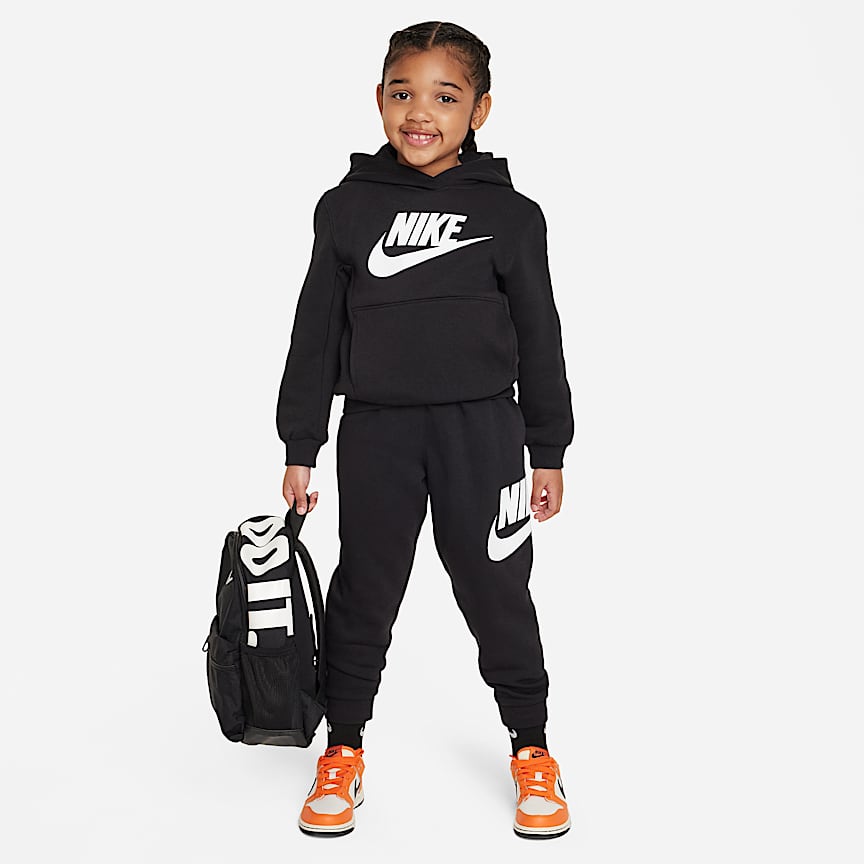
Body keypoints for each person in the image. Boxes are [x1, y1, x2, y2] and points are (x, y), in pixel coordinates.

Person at [276, 20, 574, 839]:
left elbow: (541, 337)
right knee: (365, 591)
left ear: (480, 109)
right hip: (377, 432)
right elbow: (315, 334)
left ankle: (532, 747)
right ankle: (342, 748)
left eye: (445, 97)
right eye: (403, 93)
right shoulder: (347, 208)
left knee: (496, 589)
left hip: (485, 433)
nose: (420, 113)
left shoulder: (512, 216)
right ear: (378, 99)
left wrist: (548, 449)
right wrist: (301, 445)